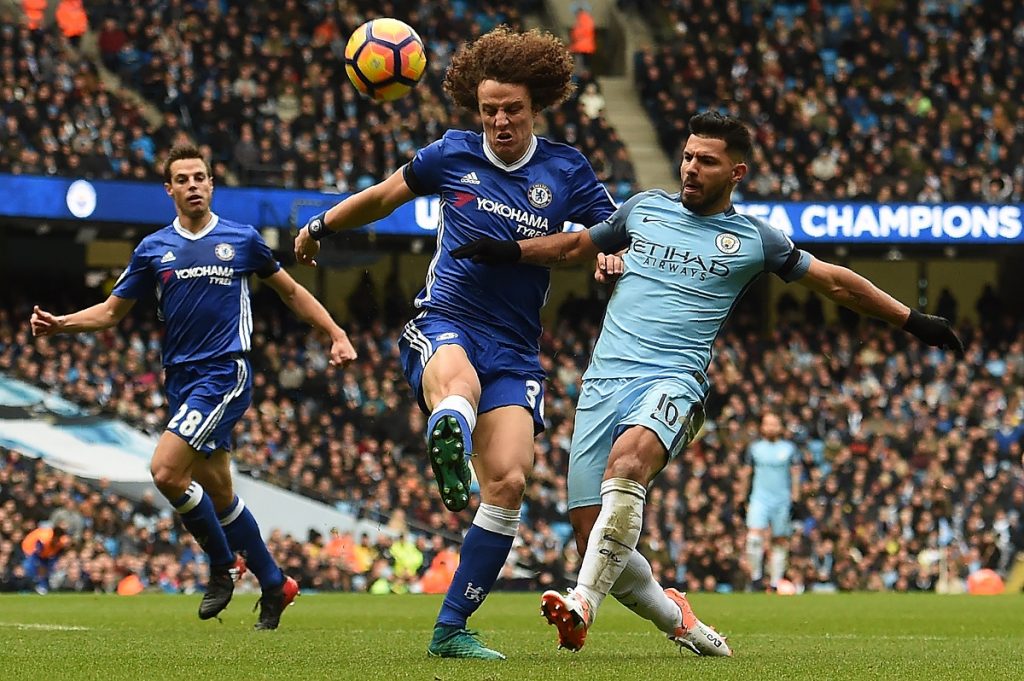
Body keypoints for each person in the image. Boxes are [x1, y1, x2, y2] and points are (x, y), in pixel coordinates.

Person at [451, 110, 965, 655]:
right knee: (592, 534)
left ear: (736, 173)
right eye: (688, 157)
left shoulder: (754, 240)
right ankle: (681, 621)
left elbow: (837, 285)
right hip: (603, 383)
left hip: (674, 381)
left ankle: (582, 603)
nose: (691, 169)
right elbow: (577, 247)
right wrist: (512, 250)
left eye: (707, 161)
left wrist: (913, 320)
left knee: (628, 466)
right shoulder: (644, 209)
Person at [293, 26, 617, 659]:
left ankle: (450, 630)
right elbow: (384, 197)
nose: (500, 120)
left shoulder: (565, 168)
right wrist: (320, 224)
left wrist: (610, 255)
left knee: (510, 482)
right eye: (490, 109)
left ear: (535, 108)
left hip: (517, 347)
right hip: (447, 320)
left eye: (512, 110)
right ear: (477, 107)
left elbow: (609, 229)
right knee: (459, 383)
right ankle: (450, 426)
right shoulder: (451, 154)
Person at [31, 144, 357, 629]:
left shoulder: (241, 239)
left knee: (165, 471)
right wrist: (63, 324)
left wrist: (335, 332)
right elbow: (111, 312)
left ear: (211, 184)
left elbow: (289, 290)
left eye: (199, 177)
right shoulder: (152, 249)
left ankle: (222, 564)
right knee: (220, 493)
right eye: (182, 179)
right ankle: (274, 582)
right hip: (181, 381)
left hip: (225, 372)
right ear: (170, 190)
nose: (192, 185)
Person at [744, 412, 800, 591]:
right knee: (753, 538)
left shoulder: (789, 449)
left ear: (780, 427)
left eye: (774, 424)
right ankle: (755, 578)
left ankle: (775, 582)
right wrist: (741, 496)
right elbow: (746, 473)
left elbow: (795, 473)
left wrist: (796, 496)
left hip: (782, 500)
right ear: (762, 427)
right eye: (767, 424)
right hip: (759, 498)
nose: (770, 427)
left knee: (780, 541)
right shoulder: (754, 449)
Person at [21, 525, 69, 594]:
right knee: (31, 568)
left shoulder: (63, 540)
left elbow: (59, 553)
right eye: (56, 538)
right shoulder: (44, 539)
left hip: (46, 553)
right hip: (30, 548)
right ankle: (33, 587)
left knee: (48, 570)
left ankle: (44, 587)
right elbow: (37, 554)